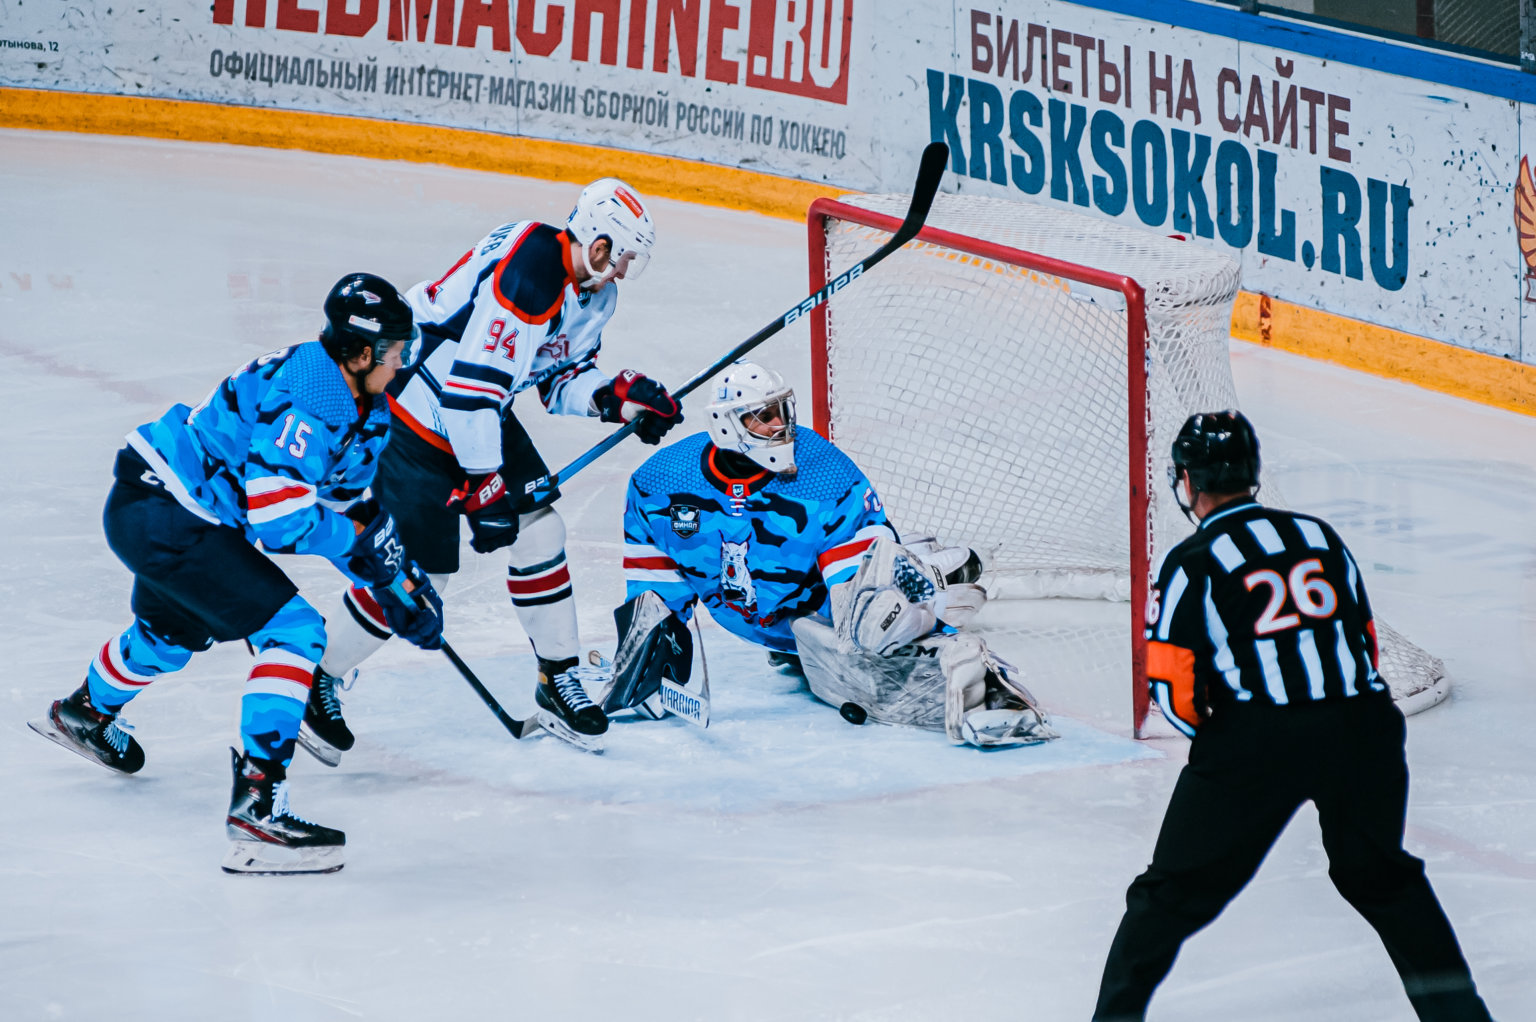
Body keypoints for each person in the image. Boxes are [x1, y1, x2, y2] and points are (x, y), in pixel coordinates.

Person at [29, 273, 446, 876]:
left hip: (177, 512)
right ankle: (257, 812)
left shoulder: (365, 404)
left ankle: (85, 713)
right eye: (396, 351)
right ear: (360, 354)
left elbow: (344, 507)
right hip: (165, 511)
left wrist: (394, 580)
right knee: (296, 633)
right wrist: (360, 548)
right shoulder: (310, 392)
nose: (405, 361)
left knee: (167, 636)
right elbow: (279, 517)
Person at [1092, 410, 1493, 1022]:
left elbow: (1172, 685)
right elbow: (1364, 643)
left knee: (1167, 897)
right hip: (1365, 727)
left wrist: (1228, 747)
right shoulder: (1319, 536)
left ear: (1190, 482)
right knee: (1383, 879)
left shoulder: (1193, 559)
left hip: (1259, 742)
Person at [299, 178, 684, 758]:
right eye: (624, 257)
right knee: (419, 580)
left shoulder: (594, 293)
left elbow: (554, 382)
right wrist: (485, 486)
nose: (625, 272)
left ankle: (557, 679)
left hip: (479, 406)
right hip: (417, 409)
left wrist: (617, 400)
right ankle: (314, 680)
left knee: (541, 531)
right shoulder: (530, 272)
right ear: (601, 246)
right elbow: (466, 395)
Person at [598, 360, 1055, 749]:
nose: (781, 426)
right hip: (774, 625)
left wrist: (908, 627)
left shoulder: (824, 475)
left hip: (824, 609)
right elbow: (655, 600)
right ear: (726, 424)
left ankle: (974, 663)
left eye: (781, 411)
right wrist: (646, 661)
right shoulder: (658, 483)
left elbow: (867, 601)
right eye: (763, 417)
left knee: (880, 621)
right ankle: (927, 568)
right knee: (826, 640)